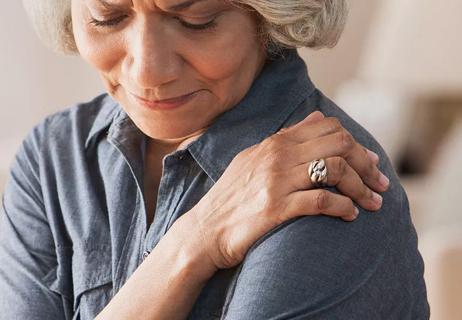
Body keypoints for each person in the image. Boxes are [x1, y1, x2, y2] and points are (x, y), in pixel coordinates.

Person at [0, 0, 429, 319]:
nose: (147, 71)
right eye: (107, 16)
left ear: (267, 14)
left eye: (196, 20)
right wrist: (195, 242)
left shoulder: (327, 185)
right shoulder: (53, 160)